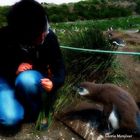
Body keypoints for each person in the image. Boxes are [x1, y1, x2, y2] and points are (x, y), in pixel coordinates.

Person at [0, 0, 65, 128]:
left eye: (45, 27)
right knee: (10, 119)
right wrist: (13, 68)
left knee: (27, 80)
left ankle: (34, 111)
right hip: (6, 79)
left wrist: (54, 83)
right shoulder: (3, 36)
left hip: (29, 79)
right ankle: (13, 102)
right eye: (40, 33)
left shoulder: (48, 37)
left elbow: (59, 67)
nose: (44, 34)